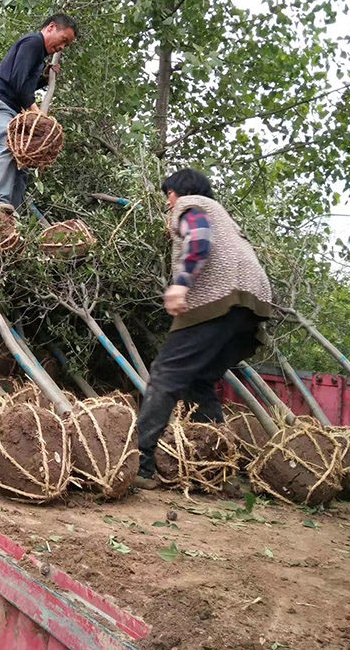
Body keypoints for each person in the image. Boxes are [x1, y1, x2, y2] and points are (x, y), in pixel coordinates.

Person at [136, 168, 272, 490]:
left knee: (166, 373)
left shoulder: (190, 205)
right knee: (199, 383)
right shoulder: (225, 218)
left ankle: (139, 464)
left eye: (168, 195)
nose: (169, 203)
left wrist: (181, 285)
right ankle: (219, 471)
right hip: (250, 307)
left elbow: (198, 241)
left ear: (178, 192)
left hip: (218, 297)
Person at [0, 13, 78, 213]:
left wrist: (44, 78)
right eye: (63, 40)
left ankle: (11, 215)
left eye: (66, 46)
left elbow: (25, 83)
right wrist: (35, 112)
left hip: (8, 110)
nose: (61, 48)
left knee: (22, 162)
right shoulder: (33, 42)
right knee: (8, 147)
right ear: (51, 27)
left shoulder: (39, 55)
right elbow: (17, 81)